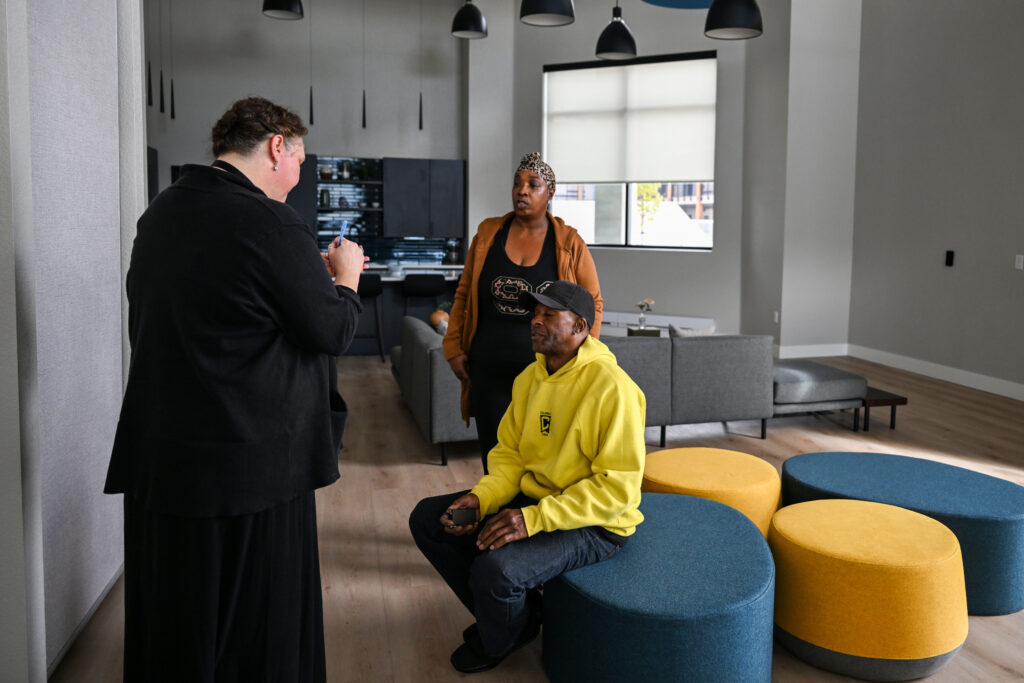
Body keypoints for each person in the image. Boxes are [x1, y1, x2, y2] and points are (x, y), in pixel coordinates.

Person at [104, 96, 367, 683]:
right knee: (256, 628)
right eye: (300, 160)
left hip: (166, 459)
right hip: (250, 464)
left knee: (179, 619)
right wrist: (345, 277)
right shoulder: (270, 223)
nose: (298, 178)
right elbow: (330, 329)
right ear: (279, 146)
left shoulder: (163, 211)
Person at [410, 281, 646, 674]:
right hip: (535, 504)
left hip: (596, 525)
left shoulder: (613, 389)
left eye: (549, 314)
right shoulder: (529, 379)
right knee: (433, 520)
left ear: (580, 327)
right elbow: (510, 457)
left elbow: (617, 489)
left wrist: (532, 519)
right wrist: (483, 498)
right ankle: (519, 617)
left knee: (496, 570)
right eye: (534, 313)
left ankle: (502, 637)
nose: (536, 321)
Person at [443, 152, 603, 472]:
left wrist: (579, 361)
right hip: (487, 368)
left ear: (550, 193)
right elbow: (464, 295)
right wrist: (453, 347)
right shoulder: (488, 234)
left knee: (542, 457)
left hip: (545, 373)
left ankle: (530, 520)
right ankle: (495, 517)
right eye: (517, 184)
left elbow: (593, 305)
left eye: (533, 184)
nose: (522, 190)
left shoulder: (570, 243)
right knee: (494, 454)